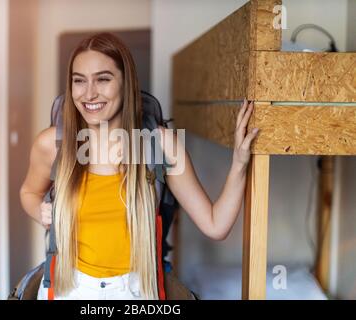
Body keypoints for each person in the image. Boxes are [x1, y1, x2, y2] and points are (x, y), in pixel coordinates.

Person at [19, 32, 259, 300]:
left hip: (136, 291)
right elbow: (28, 193)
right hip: (67, 288)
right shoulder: (52, 144)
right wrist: (39, 210)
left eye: (103, 79)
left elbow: (216, 225)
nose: (89, 93)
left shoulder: (160, 145)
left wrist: (239, 162)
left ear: (126, 82)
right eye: (79, 81)